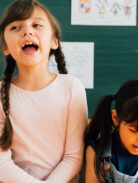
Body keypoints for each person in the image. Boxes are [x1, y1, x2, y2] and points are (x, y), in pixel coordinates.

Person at [0, 0, 88, 182]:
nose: (27, 31)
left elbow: (73, 157)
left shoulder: (72, 88)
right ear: (5, 47)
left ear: (54, 41)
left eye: (37, 25)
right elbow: (1, 164)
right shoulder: (1, 93)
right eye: (16, 27)